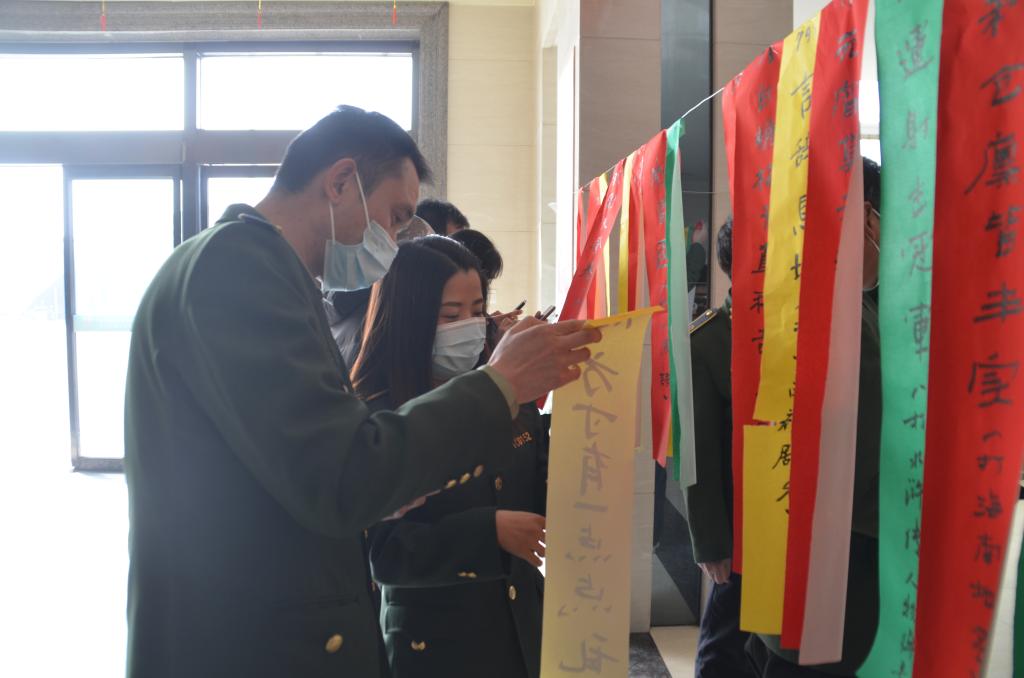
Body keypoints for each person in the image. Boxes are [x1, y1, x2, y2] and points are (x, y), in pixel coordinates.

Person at [124, 105, 599, 678]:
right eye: (395, 218)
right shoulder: (237, 267)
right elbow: (342, 475)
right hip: (248, 643)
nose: (393, 242)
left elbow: (303, 465)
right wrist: (501, 383)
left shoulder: (273, 274)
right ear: (341, 182)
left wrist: (389, 488)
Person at [352, 236, 547, 678]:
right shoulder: (378, 419)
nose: (471, 327)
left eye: (478, 311)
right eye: (451, 315)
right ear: (411, 318)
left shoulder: (506, 398)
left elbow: (538, 484)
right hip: (434, 644)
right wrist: (487, 532)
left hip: (518, 630)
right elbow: (383, 552)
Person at [744, 157, 883, 676]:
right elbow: (863, 452)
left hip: (793, 553)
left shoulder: (795, 296)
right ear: (866, 218)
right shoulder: (846, 316)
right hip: (839, 569)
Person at [684, 217, 756, 678]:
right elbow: (701, 452)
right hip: (738, 524)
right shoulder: (710, 339)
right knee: (723, 646)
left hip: (790, 518)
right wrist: (711, 541)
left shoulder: (801, 330)